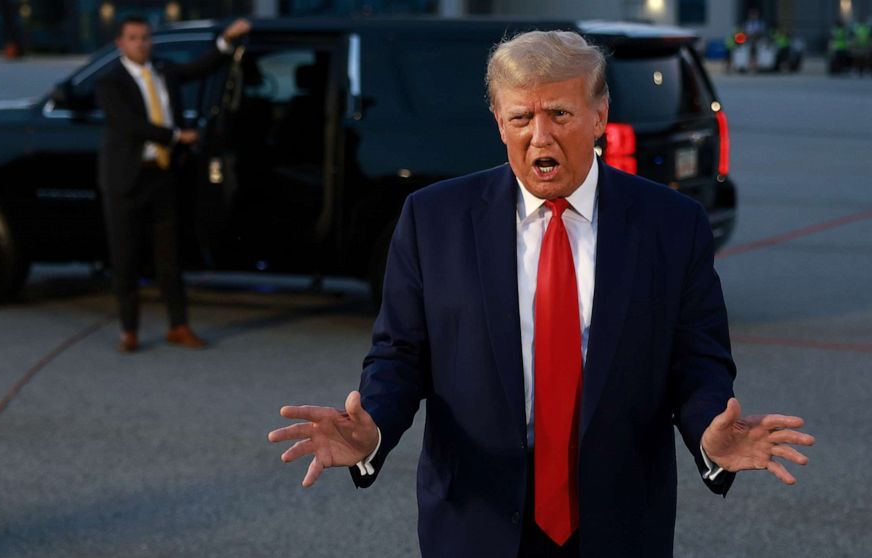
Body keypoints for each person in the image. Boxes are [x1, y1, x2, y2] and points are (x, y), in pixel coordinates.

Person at [268, 31, 814, 558]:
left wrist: (710, 437)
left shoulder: (672, 225)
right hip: (474, 521)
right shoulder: (434, 219)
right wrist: (374, 430)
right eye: (521, 117)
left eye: (560, 114)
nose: (540, 136)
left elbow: (697, 362)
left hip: (619, 525)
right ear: (498, 123)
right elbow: (400, 356)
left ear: (599, 116)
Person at [96, 16, 251, 353]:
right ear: (120, 43)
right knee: (125, 259)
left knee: (169, 257)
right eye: (134, 38)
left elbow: (199, 68)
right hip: (125, 180)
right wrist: (178, 136)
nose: (141, 43)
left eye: (145, 37)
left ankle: (178, 326)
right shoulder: (110, 82)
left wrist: (226, 39)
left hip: (162, 177)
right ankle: (129, 330)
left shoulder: (163, 70)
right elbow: (129, 125)